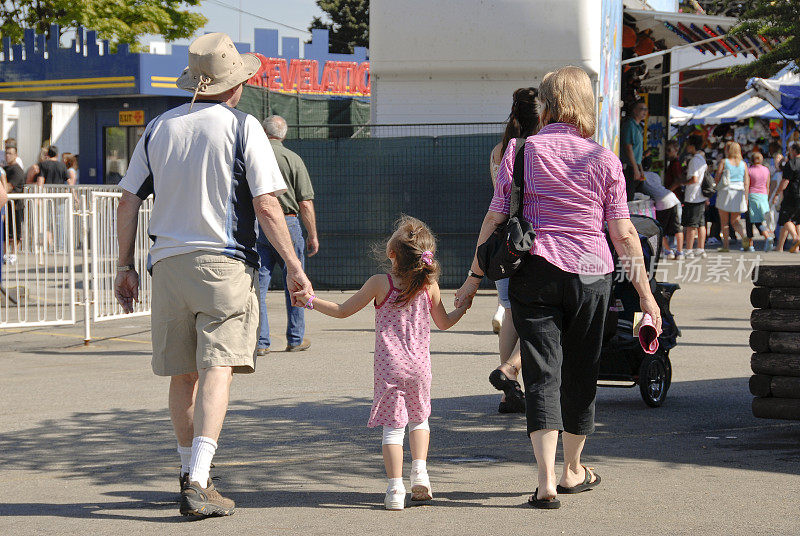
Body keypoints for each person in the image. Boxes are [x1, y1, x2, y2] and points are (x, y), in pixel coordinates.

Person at [113, 32, 313, 518]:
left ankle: (188, 470)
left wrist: (123, 264)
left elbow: (128, 200)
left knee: (183, 374)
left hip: (167, 264)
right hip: (224, 262)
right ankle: (201, 479)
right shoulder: (245, 128)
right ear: (236, 84)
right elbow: (267, 205)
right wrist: (293, 265)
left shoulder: (158, 127)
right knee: (216, 368)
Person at [455, 66, 661, 509]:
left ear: (546, 105)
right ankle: (573, 471)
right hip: (591, 274)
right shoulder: (603, 158)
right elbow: (624, 233)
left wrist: (474, 278)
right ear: (587, 106)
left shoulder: (521, 149)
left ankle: (546, 480)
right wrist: (646, 298)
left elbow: (494, 220)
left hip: (535, 270)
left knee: (541, 371)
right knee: (582, 370)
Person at [294, 216, 470, 510]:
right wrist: (464, 306)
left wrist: (310, 301)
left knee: (393, 428)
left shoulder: (380, 283)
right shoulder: (430, 285)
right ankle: (421, 475)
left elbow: (342, 311)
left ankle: (395, 490)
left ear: (392, 253)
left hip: (390, 368)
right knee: (420, 420)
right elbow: (445, 322)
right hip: (419, 368)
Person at [487, 87, 537, 414]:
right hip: (533, 242)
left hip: (504, 243)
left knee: (510, 314)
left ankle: (508, 392)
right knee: (537, 316)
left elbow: (498, 202)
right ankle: (520, 379)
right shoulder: (539, 148)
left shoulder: (499, 150)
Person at [255, 115, 318, 355]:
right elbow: (306, 202)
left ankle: (261, 342)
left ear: (263, 131)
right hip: (288, 223)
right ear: (284, 134)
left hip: (258, 223)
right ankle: (295, 338)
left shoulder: (253, 156)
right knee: (296, 279)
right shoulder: (293, 159)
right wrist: (312, 234)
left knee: (258, 286)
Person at [640, 157, 683, 259]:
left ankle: (668, 251)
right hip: (672, 198)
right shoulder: (655, 175)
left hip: (661, 203)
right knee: (677, 228)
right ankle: (680, 252)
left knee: (661, 229)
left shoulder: (641, 178)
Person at [714, 141, 750, 253]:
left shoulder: (724, 162)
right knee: (735, 221)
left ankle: (726, 246)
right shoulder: (743, 164)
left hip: (726, 192)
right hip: (739, 192)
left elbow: (717, 178)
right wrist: (746, 197)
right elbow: (746, 182)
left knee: (724, 222)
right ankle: (744, 237)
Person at [683, 135, 708, 258]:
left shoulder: (694, 161)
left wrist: (682, 182)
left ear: (692, 146)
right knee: (701, 224)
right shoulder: (702, 159)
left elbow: (694, 179)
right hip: (701, 196)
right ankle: (700, 248)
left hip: (693, 195)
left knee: (691, 224)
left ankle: (689, 249)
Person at [621, 100, 648, 201]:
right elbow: (628, 148)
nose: (644, 112)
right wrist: (636, 168)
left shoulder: (638, 127)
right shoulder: (629, 125)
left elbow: (637, 152)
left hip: (635, 166)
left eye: (646, 109)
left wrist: (640, 168)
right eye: (642, 109)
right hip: (628, 167)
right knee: (628, 196)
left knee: (633, 196)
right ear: (634, 111)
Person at [776, 143, 800, 253]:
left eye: (790, 150)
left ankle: (795, 237)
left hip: (791, 195)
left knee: (785, 219)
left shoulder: (791, 163)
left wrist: (777, 193)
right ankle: (780, 247)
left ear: (794, 151)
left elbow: (785, 181)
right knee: (798, 221)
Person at [747, 152, 774, 252]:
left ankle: (751, 244)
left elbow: (747, 184)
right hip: (763, 195)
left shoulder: (749, 170)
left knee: (751, 220)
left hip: (752, 195)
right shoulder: (766, 170)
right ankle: (767, 237)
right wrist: (767, 195)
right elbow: (768, 184)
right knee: (760, 219)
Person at [4, 147, 25, 249]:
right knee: (5, 234)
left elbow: (8, 187)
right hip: (5, 206)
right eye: (6, 153)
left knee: (15, 233)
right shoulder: (5, 168)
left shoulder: (16, 170)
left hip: (15, 206)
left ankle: (13, 254)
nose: (8, 156)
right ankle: (4, 254)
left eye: (10, 154)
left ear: (16, 155)